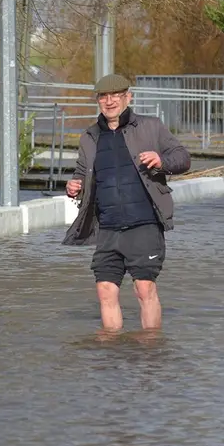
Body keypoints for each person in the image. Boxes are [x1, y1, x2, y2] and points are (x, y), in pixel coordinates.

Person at [63, 73, 191, 332]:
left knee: (144, 289)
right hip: (108, 228)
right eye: (104, 96)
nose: (110, 101)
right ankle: (111, 352)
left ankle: (150, 350)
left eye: (116, 96)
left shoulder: (150, 127)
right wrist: (73, 186)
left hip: (144, 225)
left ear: (128, 97)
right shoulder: (89, 137)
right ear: (98, 100)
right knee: (105, 290)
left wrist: (161, 161)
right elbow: (82, 172)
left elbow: (183, 158)